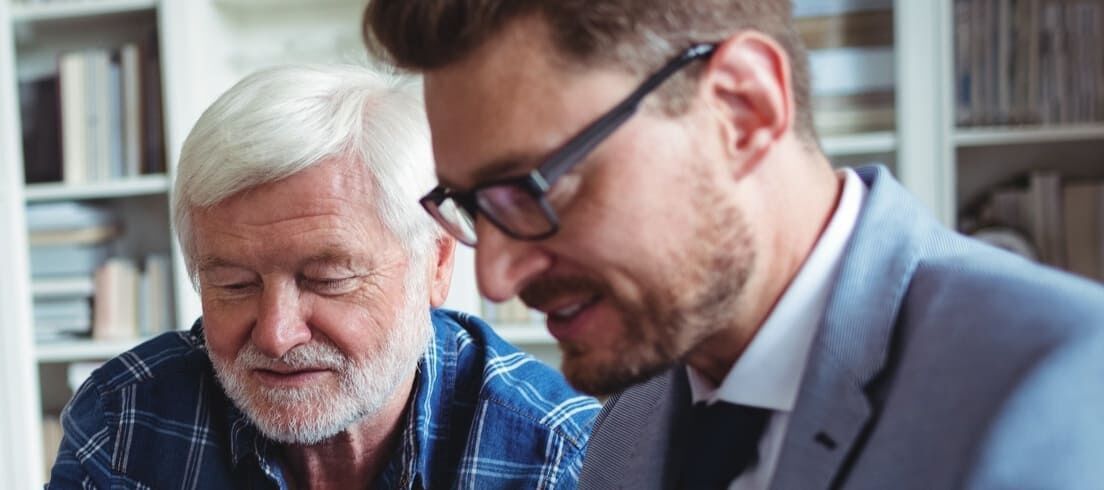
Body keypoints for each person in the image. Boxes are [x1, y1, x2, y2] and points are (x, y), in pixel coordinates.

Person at [363, 1, 1104, 488]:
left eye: (535, 190)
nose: (494, 276)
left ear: (743, 110)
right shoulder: (626, 424)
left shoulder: (1059, 380)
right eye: (471, 206)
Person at [47, 64, 600, 489]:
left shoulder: (561, 457)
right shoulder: (122, 423)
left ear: (436, 264)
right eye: (235, 284)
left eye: (328, 278)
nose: (275, 334)